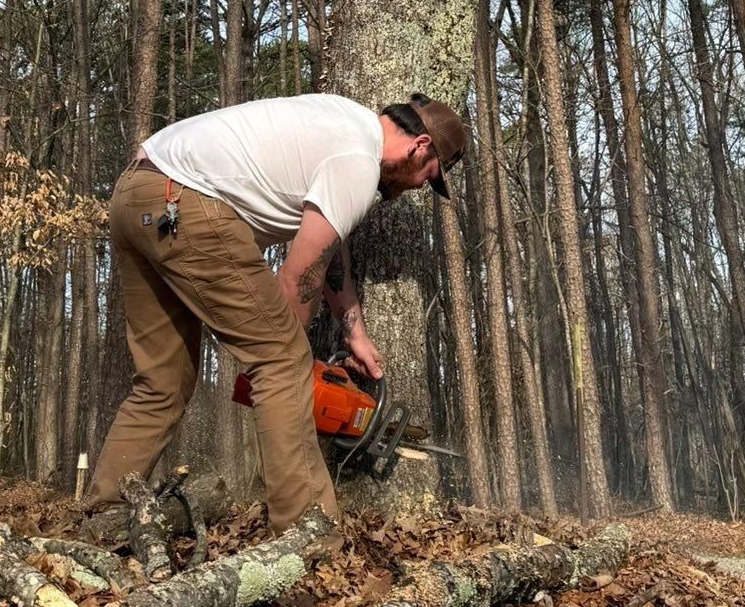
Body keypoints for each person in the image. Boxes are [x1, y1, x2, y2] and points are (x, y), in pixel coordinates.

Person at [85, 90, 467, 529]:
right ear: (419, 148)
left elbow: (329, 251)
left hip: (137, 191)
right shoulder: (358, 162)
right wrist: (292, 364)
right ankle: (306, 531)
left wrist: (354, 332)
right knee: (282, 359)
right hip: (186, 201)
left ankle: (105, 517)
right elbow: (296, 278)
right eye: (429, 176)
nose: (418, 187)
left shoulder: (342, 119)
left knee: (163, 379)